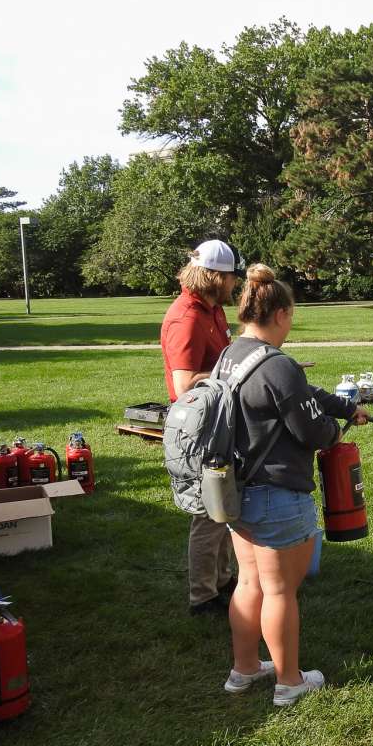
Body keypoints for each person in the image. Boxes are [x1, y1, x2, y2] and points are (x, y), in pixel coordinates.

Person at [220, 264, 369, 707]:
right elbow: (311, 431)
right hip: (277, 494)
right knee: (280, 589)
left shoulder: (232, 354)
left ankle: (244, 670)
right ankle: (288, 681)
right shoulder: (278, 365)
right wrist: (337, 431)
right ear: (281, 313)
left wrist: (343, 406)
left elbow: (299, 392)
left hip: (236, 491)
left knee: (249, 583)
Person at [160, 240, 242, 615]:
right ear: (214, 276)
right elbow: (182, 384)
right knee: (209, 514)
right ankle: (202, 596)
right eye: (230, 277)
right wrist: (240, 373)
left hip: (218, 423)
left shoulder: (213, 310)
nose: (235, 283)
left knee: (225, 505)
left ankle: (223, 581)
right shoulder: (187, 317)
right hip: (199, 430)